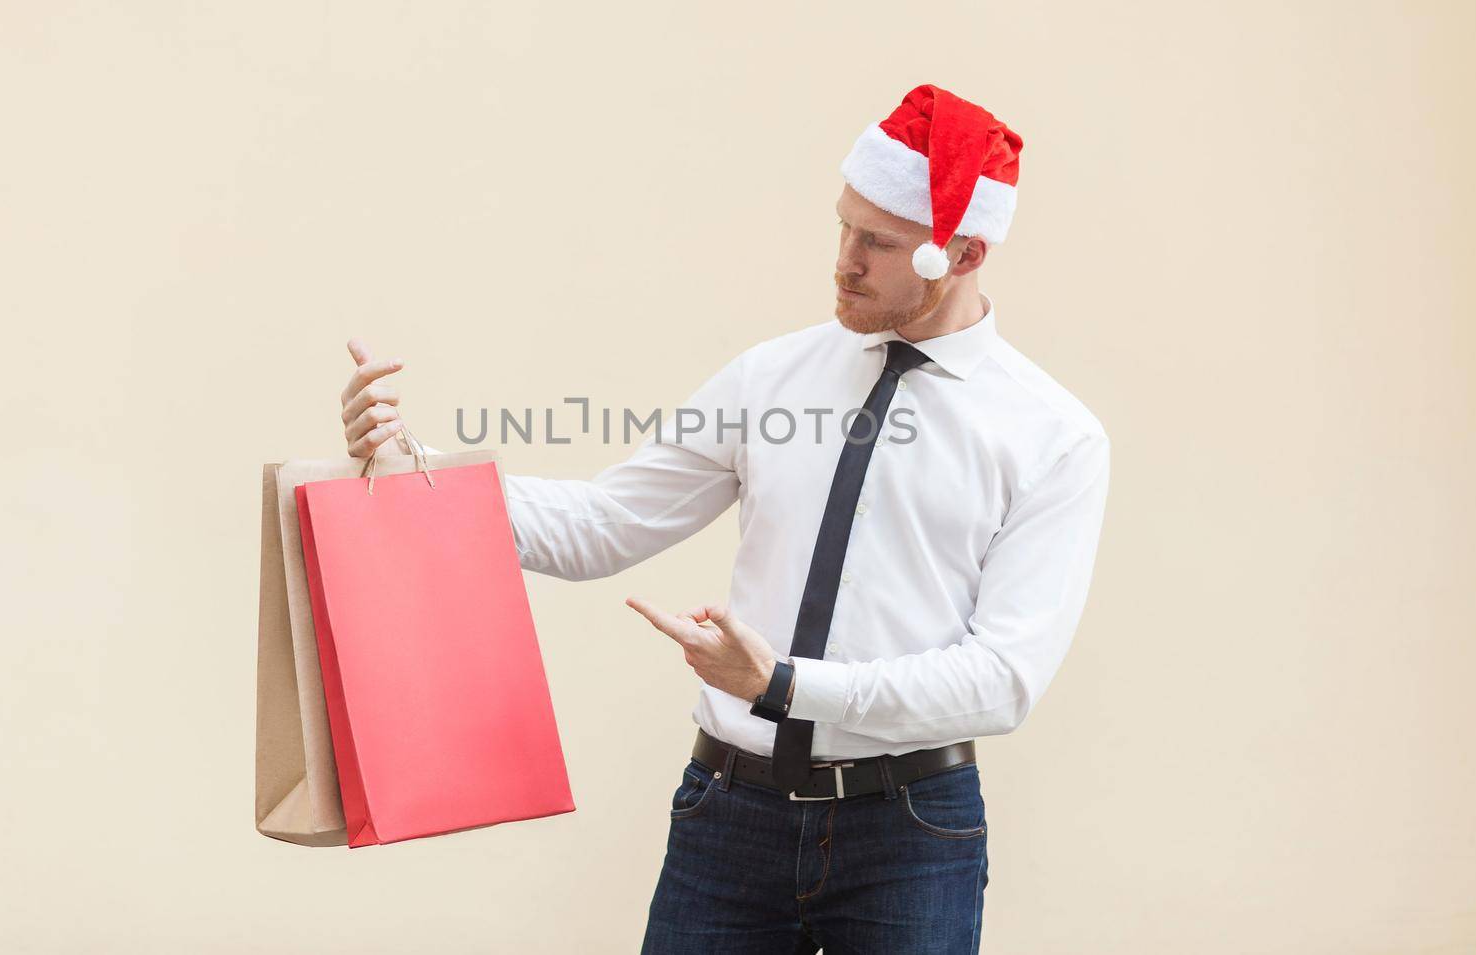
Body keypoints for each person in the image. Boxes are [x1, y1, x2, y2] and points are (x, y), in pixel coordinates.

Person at [338, 83, 1110, 954]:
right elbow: (606, 523)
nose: (844, 260)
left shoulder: (1053, 437)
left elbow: (1001, 679)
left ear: (961, 253)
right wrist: (416, 472)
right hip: (729, 817)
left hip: (911, 834)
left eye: (879, 243)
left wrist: (785, 686)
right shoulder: (770, 379)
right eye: (843, 226)